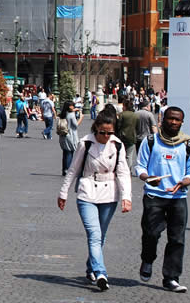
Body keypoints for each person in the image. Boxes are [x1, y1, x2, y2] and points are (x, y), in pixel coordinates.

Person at [58, 110, 132, 291]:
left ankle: (91, 267)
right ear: (96, 129)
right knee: (94, 234)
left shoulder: (117, 145)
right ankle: (101, 273)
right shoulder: (85, 143)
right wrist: (63, 193)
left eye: (110, 133)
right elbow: (73, 169)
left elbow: (123, 172)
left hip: (109, 193)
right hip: (87, 191)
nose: (106, 136)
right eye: (102, 132)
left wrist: (126, 197)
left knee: (101, 235)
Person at [135, 106, 190, 293]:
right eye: (170, 118)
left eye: (177, 119)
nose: (173, 122)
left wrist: (184, 181)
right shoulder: (151, 141)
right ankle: (147, 259)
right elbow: (140, 166)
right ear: (163, 119)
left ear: (181, 122)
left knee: (177, 238)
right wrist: (147, 178)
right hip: (154, 196)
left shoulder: (188, 145)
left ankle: (171, 277)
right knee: (151, 234)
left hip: (178, 197)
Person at [117, 96, 138, 175]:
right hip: (132, 137)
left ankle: (121, 169)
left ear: (125, 106)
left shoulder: (122, 115)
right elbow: (137, 127)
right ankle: (128, 170)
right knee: (129, 156)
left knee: (121, 154)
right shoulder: (135, 115)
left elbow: (119, 126)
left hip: (122, 137)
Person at [59, 101, 80, 176]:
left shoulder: (63, 114)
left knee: (65, 152)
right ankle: (68, 169)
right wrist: (81, 118)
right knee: (70, 152)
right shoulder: (71, 115)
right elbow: (76, 125)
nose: (73, 106)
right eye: (72, 105)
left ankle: (64, 169)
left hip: (63, 134)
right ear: (69, 107)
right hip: (70, 135)